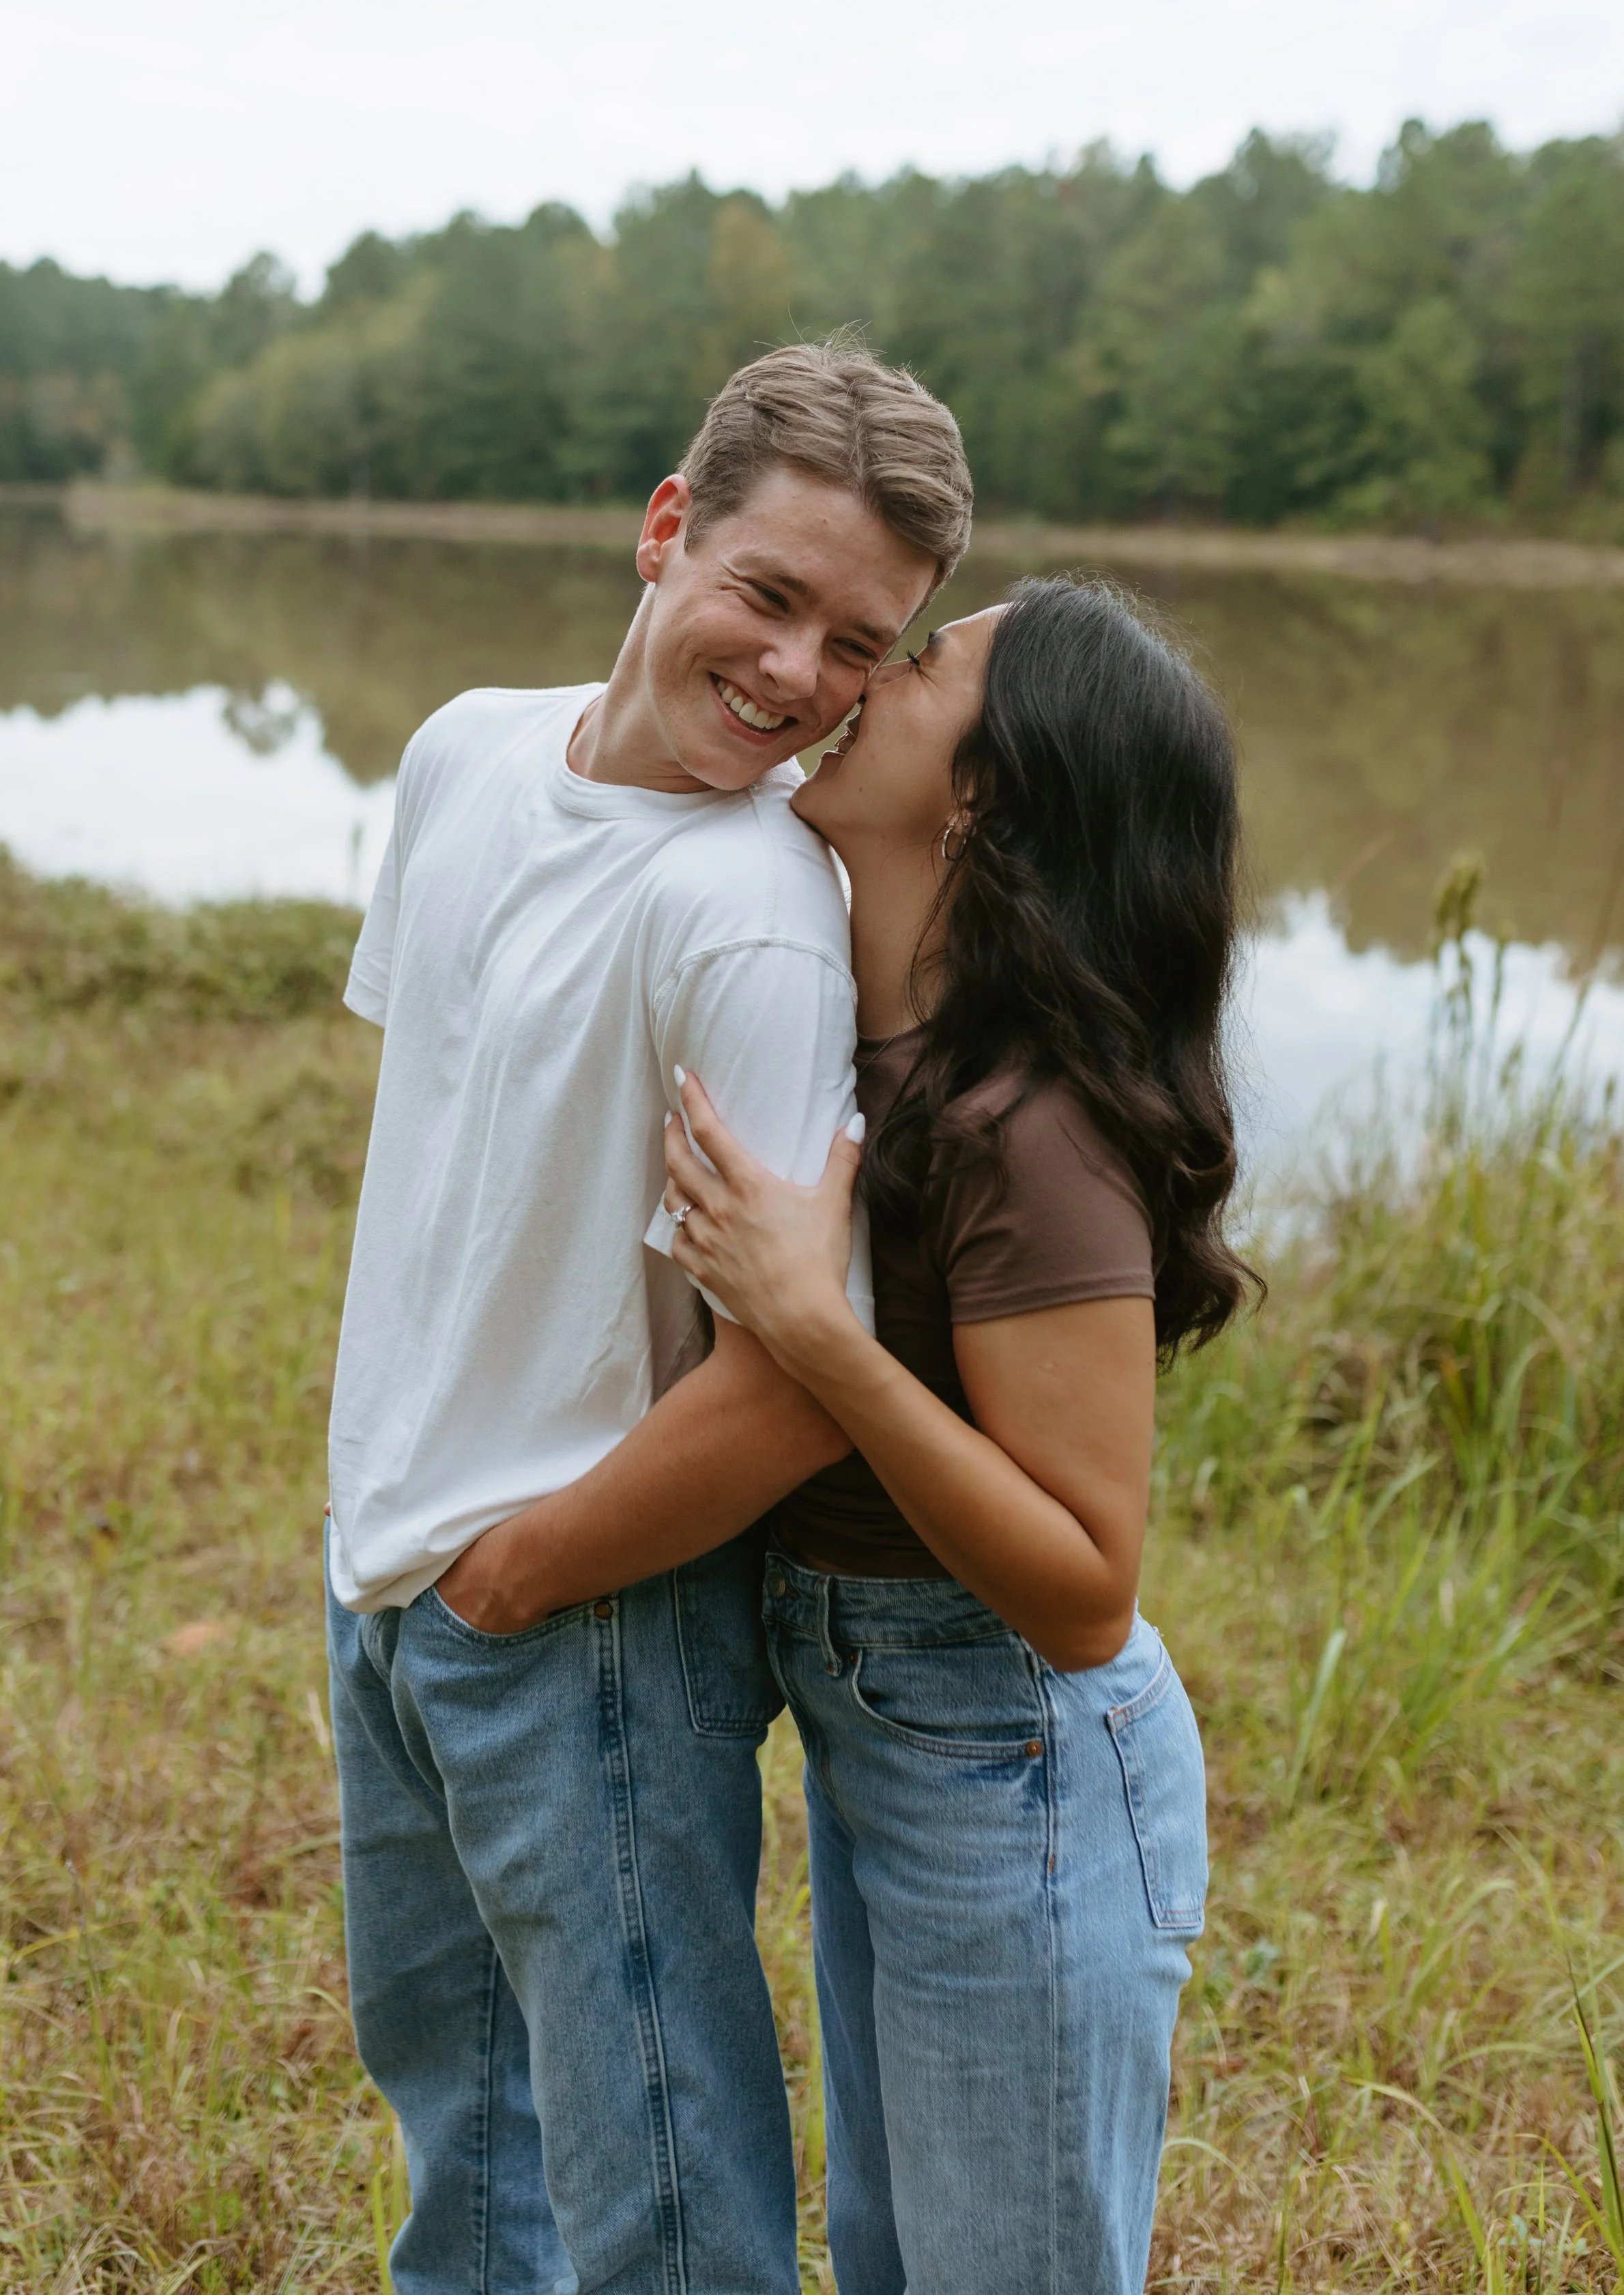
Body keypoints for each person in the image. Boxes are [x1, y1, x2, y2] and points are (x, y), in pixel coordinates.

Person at [498, 579, 1253, 2293]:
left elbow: (1085, 1590)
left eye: (915, 663)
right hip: (896, 1738)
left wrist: (817, 1337)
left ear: (980, 794)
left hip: (1015, 1757)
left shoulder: (1028, 1126)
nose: (854, 684)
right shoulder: (880, 1046)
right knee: (898, 2259)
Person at [323, 339, 973, 2295]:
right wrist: (403, 1545)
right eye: (766, 594)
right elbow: (444, 1147)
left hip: (582, 1612)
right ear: (665, 524)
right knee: (467, 2158)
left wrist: (513, 1580)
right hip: (388, 1573)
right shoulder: (462, 751)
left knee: (658, 2214)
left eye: (858, 644)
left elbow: (790, 1383)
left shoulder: (749, 912)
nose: (793, 674)